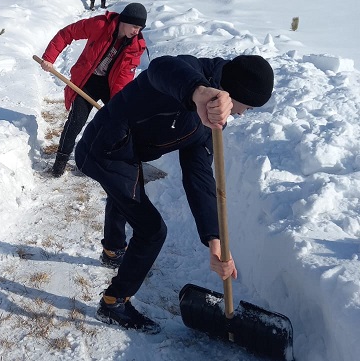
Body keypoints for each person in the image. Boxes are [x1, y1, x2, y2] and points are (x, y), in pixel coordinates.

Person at [74, 54, 274, 332]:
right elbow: (161, 67)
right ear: (237, 92)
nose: (242, 113)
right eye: (247, 106)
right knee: (152, 230)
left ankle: (112, 250)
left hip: (126, 153)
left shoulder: (211, 123)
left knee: (127, 194)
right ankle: (113, 302)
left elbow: (199, 175)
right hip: (104, 149)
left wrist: (213, 237)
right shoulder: (190, 72)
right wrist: (200, 93)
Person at [38, 3, 148, 178]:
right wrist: (49, 58)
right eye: (135, 26)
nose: (137, 31)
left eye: (140, 28)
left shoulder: (135, 46)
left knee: (120, 123)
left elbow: (124, 79)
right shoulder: (100, 25)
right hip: (88, 80)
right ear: (124, 21)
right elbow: (68, 33)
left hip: (110, 86)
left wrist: (118, 106)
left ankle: (117, 161)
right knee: (76, 121)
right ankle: (60, 162)